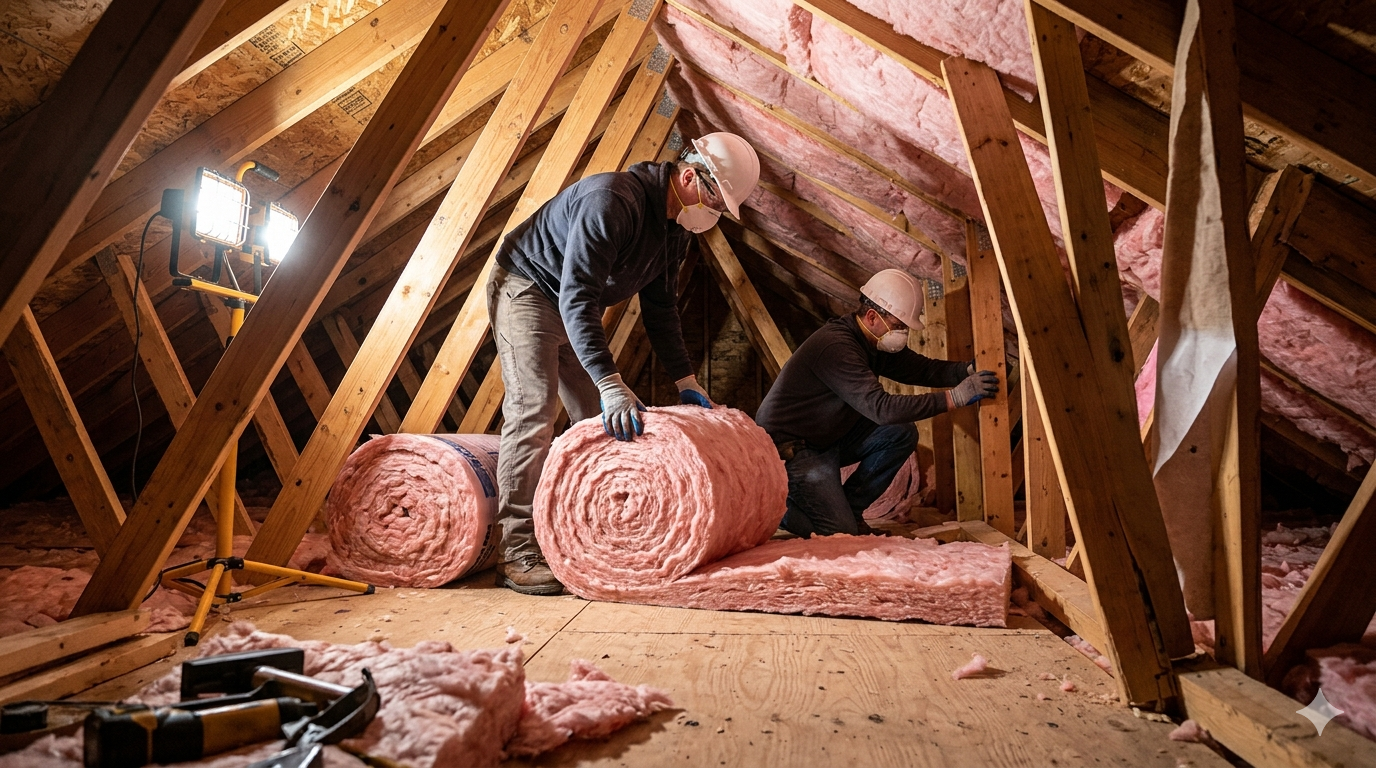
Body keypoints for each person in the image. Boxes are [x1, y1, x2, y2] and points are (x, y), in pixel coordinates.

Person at [486, 132, 761, 594]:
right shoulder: (611, 200)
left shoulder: (674, 232)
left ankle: (590, 534)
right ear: (690, 176)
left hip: (573, 304)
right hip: (529, 288)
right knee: (533, 409)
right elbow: (578, 296)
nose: (715, 214)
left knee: (600, 420)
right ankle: (515, 551)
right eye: (714, 200)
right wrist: (611, 380)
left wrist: (686, 379)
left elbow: (661, 310)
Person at [755, 269, 998, 538]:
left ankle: (850, 508)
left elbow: (920, 369)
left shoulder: (872, 342)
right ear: (872, 317)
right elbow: (881, 409)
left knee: (901, 433)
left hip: (825, 440)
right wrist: (955, 397)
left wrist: (966, 371)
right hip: (791, 451)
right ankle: (781, 507)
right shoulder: (837, 347)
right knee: (838, 533)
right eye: (898, 326)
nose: (902, 333)